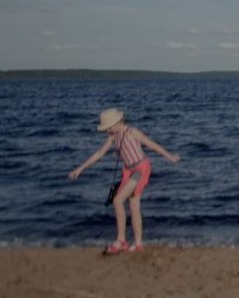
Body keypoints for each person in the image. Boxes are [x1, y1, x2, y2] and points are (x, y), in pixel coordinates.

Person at [69, 107, 180, 254]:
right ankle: (138, 243)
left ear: (117, 123)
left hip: (140, 168)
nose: (107, 131)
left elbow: (151, 144)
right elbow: (99, 153)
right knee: (133, 207)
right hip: (128, 171)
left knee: (117, 201)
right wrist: (80, 168)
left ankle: (121, 240)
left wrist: (169, 156)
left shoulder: (132, 132)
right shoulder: (113, 137)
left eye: (109, 128)